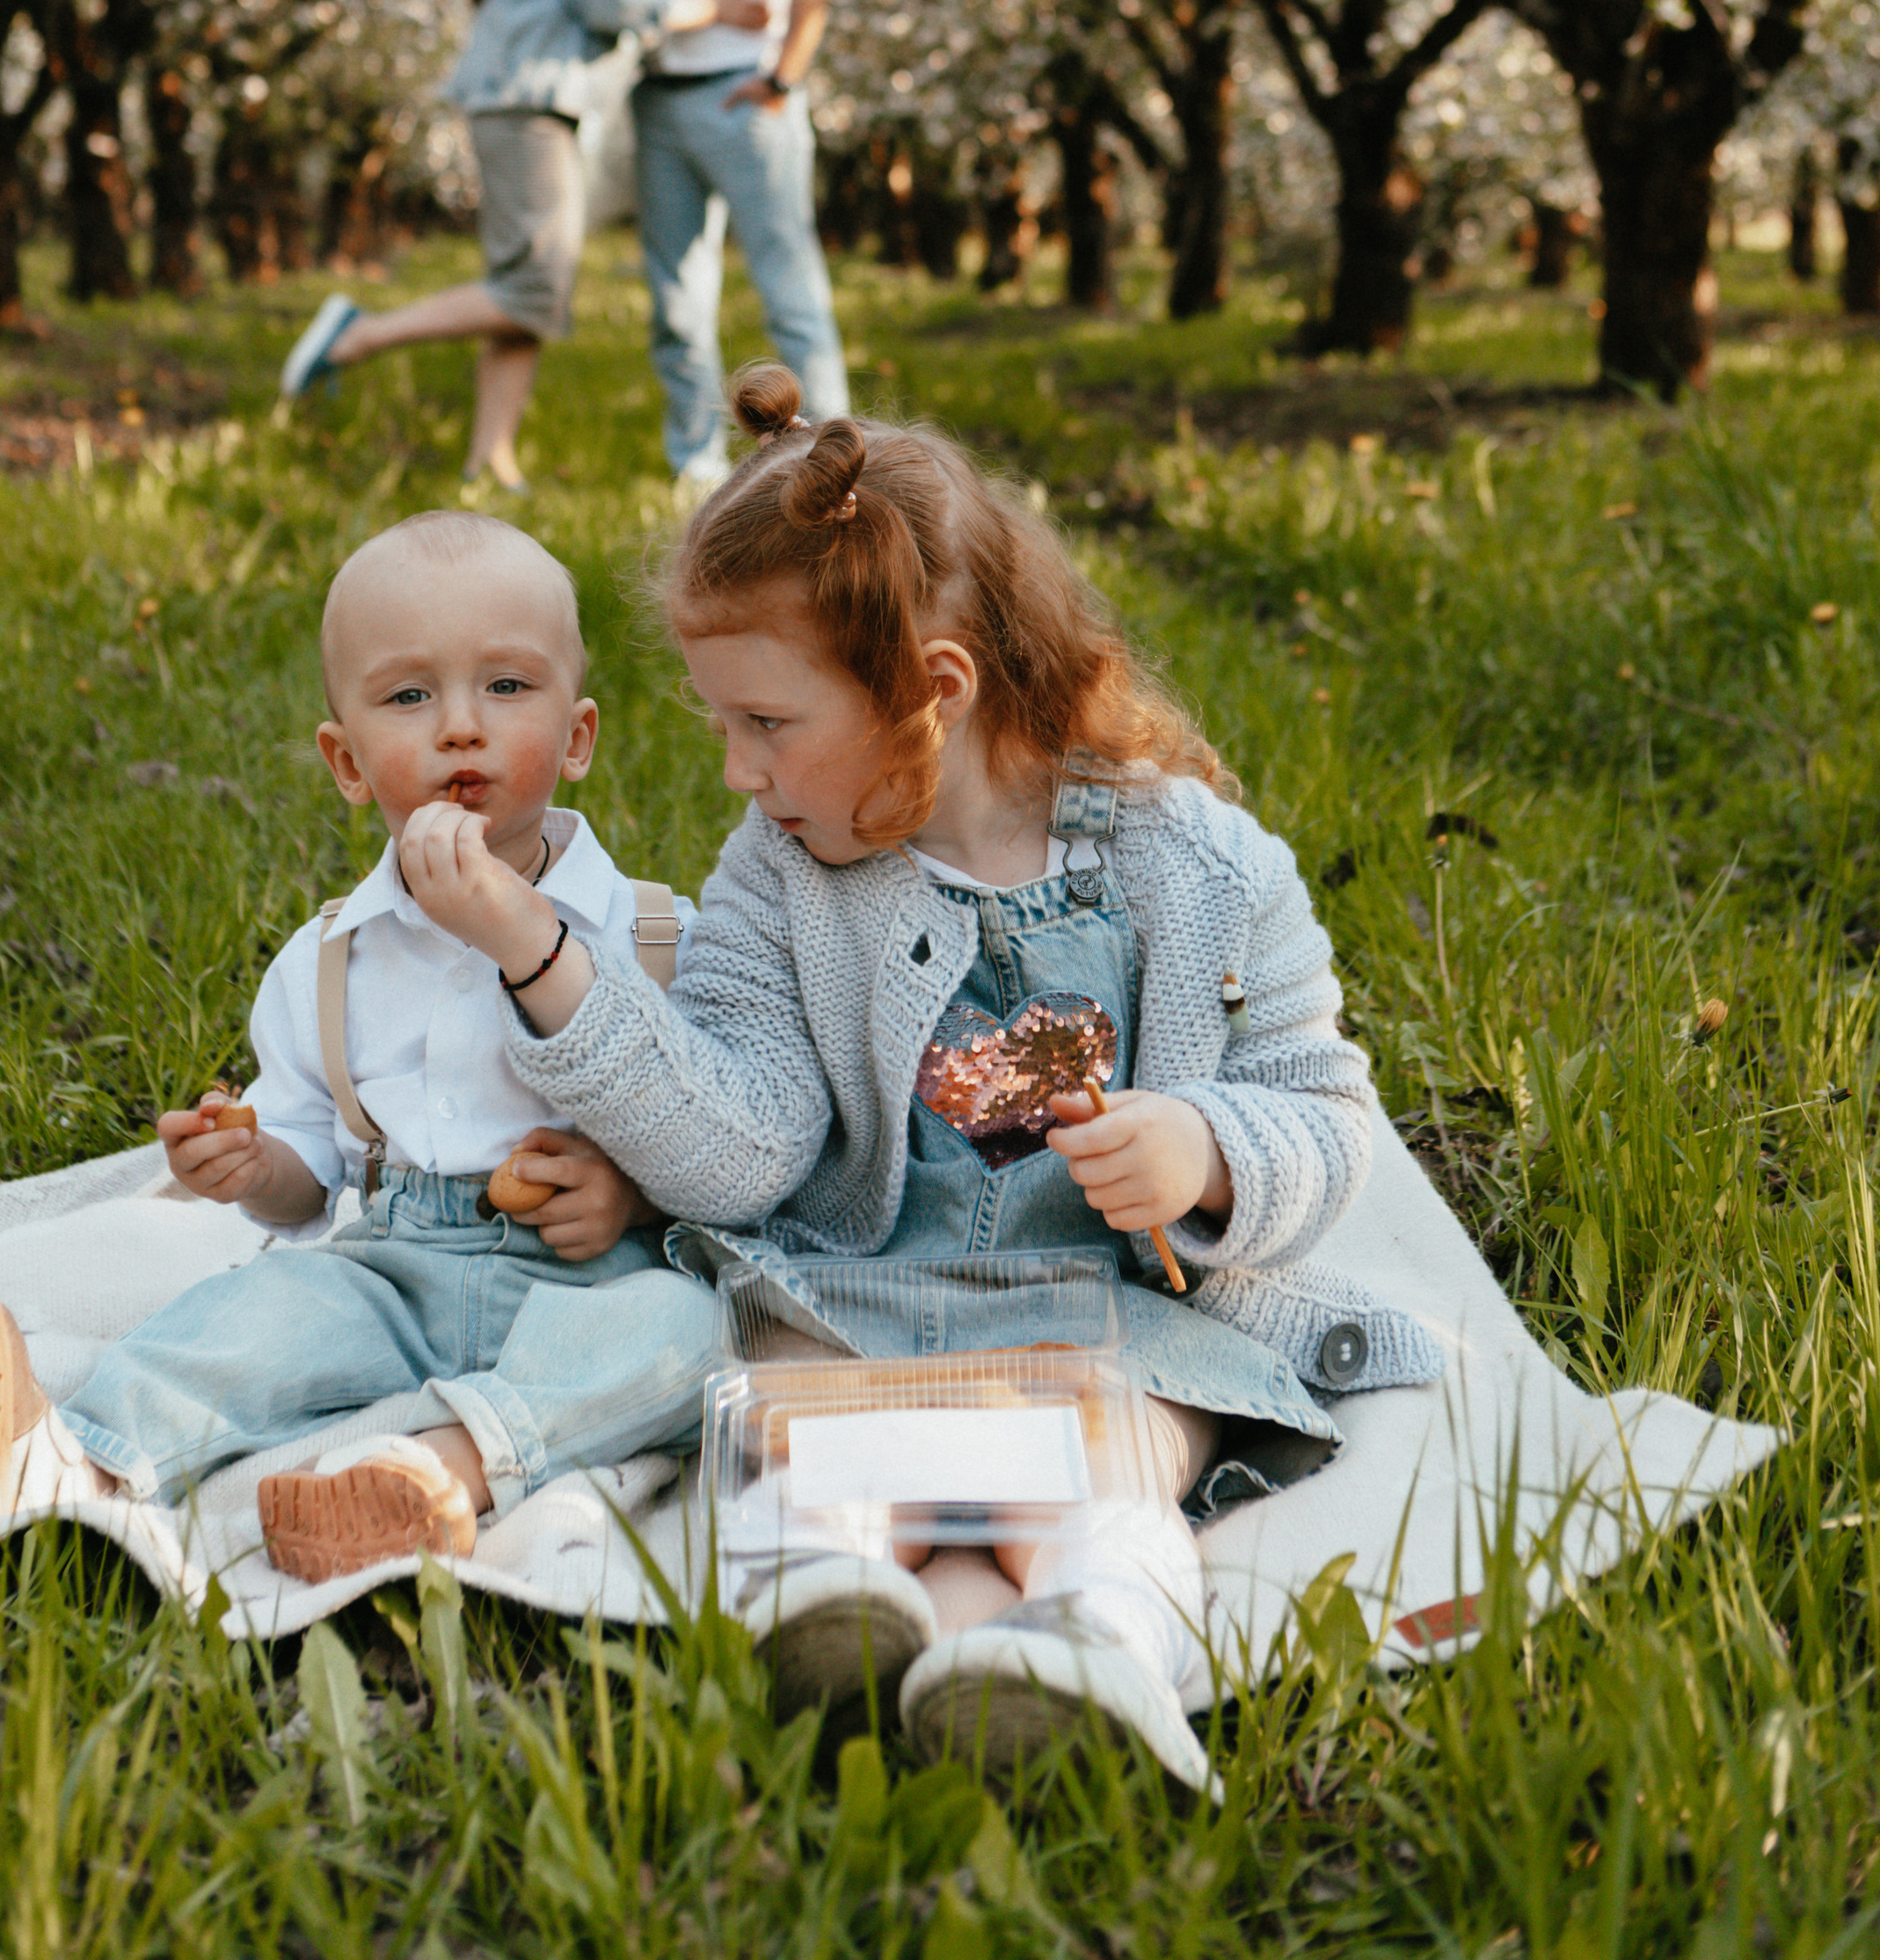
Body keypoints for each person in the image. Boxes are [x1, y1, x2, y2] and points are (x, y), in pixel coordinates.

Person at [393, 367, 1442, 1781]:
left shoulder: (1200, 870)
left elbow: (1320, 1112)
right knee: (830, 1470)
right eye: (723, 724)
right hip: (859, 1300)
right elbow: (740, 1153)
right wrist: (537, 952)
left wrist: (1202, 1149)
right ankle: (840, 1615)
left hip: (1112, 1317)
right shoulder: (777, 881)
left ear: (933, 693)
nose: (736, 772)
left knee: (1119, 1456)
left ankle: (1087, 1643)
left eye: (766, 724)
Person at [0, 514, 724, 1579]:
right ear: (346, 761)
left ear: (578, 738)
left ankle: (433, 1476)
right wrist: (248, 1166)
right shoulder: (329, 958)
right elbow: (305, 1183)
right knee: (254, 1313)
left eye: (507, 688)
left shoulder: (654, 935)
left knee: (688, 1329)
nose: (460, 728)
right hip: (395, 1262)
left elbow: (717, 1134)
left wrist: (635, 1197)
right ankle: (62, 1464)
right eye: (409, 696)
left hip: (589, 1277)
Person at [278, 0, 766, 492]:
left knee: (527, 292)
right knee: (534, 288)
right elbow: (613, 3)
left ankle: (490, 457)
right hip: (526, 105)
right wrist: (712, 9)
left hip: (522, 102)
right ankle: (356, 336)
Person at [597, 0, 850, 494]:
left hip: (744, 92)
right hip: (661, 102)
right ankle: (698, 471)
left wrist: (783, 77)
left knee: (788, 287)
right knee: (675, 300)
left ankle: (838, 468)